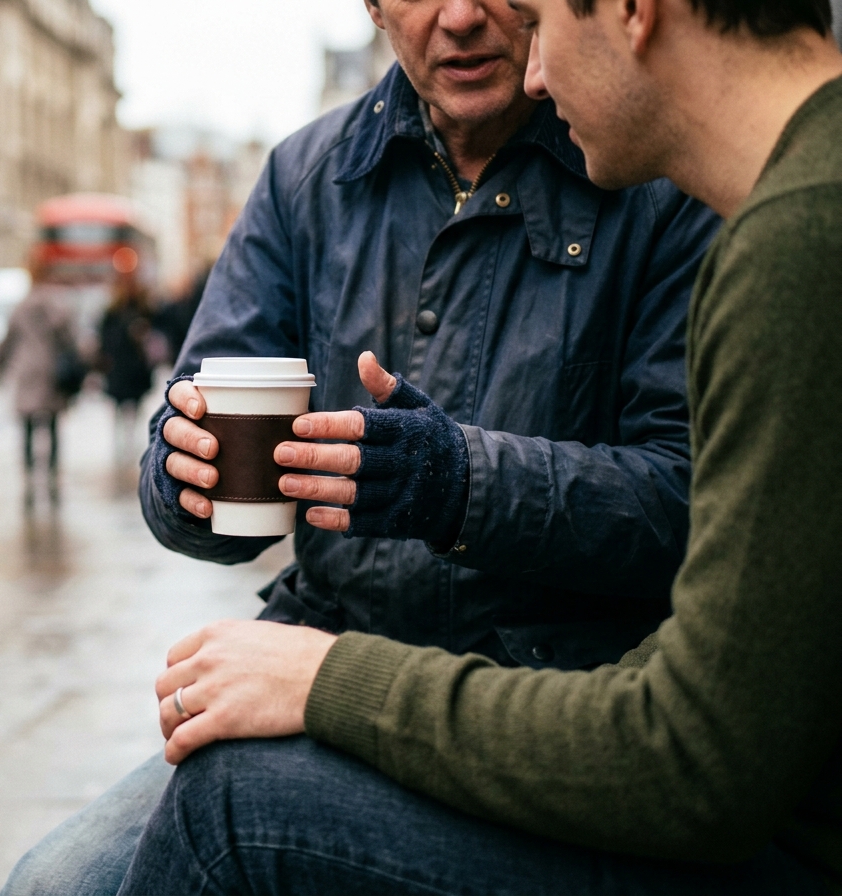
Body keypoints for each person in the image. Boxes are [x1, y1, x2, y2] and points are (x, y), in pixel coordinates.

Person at [117, 0, 842, 892]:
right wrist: (187, 482)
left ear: (630, 14)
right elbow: (188, 430)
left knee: (223, 810)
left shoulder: (696, 185)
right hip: (348, 650)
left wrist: (458, 481)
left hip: (552, 687)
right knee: (55, 876)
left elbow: (698, 529)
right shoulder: (307, 175)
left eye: (523, 2)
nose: (464, 18)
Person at [0, 256, 78, 505]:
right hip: (50, 372)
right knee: (51, 426)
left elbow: (8, 341)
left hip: (27, 372)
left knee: (28, 427)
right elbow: (70, 341)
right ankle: (51, 474)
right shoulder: (59, 307)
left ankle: (29, 475)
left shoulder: (20, 307)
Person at [98, 272, 155, 462]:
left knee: (133, 405)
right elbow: (105, 339)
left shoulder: (141, 308)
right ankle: (123, 442)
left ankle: (130, 441)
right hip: (121, 366)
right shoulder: (113, 312)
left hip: (133, 367)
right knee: (121, 406)